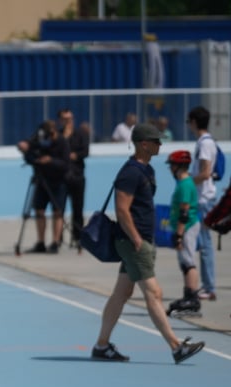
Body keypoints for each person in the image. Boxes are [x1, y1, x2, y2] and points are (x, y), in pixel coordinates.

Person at [91, 123, 204, 365]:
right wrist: (136, 239)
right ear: (144, 144)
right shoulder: (130, 173)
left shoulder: (146, 170)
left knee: (121, 293)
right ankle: (176, 347)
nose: (160, 145)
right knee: (154, 293)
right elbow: (122, 209)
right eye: (156, 141)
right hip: (133, 242)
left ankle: (101, 345)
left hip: (139, 240)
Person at [17, 120, 70, 253]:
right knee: (39, 211)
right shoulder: (39, 138)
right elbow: (29, 151)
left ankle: (55, 242)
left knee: (58, 212)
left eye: (50, 135)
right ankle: (40, 242)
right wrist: (25, 148)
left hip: (58, 182)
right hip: (41, 181)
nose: (48, 138)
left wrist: (51, 161)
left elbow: (66, 164)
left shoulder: (62, 142)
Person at [164, 150, 202, 318]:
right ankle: (189, 295)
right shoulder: (184, 182)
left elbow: (184, 213)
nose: (170, 169)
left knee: (188, 262)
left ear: (178, 166)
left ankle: (192, 298)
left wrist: (178, 235)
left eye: (171, 165)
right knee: (185, 262)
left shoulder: (185, 184)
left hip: (187, 227)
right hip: (185, 227)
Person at [187, 106, 219, 301]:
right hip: (203, 198)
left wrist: (187, 182)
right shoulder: (205, 142)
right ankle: (207, 285)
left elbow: (205, 173)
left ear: (194, 122)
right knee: (201, 243)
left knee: (205, 244)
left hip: (204, 199)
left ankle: (209, 287)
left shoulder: (205, 144)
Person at [58, 108, 90, 249]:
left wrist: (74, 155)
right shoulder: (58, 135)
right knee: (59, 210)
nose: (68, 122)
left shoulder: (81, 134)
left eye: (70, 119)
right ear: (60, 120)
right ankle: (57, 239)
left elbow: (85, 152)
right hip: (61, 178)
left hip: (77, 176)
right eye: (65, 119)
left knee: (78, 209)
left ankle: (78, 238)